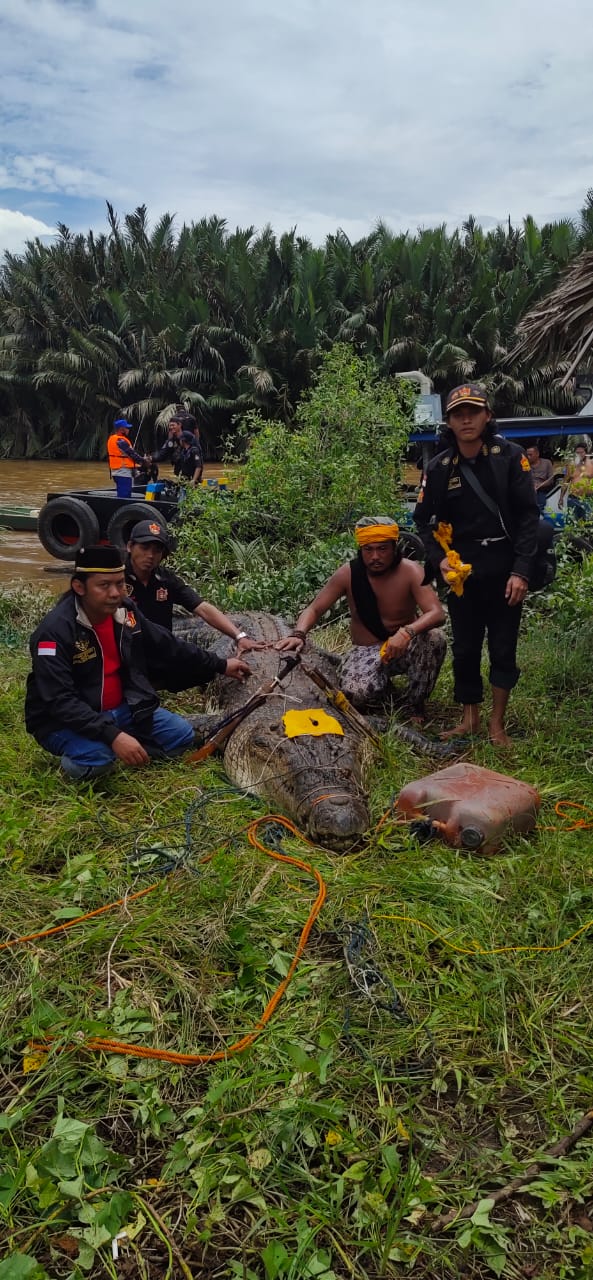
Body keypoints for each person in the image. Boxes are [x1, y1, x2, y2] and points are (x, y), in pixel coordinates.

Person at [25, 545, 251, 781]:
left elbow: (166, 643)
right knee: (97, 761)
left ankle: (124, 747)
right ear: (79, 587)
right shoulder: (54, 632)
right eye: (104, 585)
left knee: (181, 736)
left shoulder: (124, 611)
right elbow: (60, 701)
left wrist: (221, 664)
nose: (115, 593)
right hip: (61, 721)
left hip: (120, 709)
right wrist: (114, 736)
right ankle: (96, 753)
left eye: (120, 583)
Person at [414, 383, 539, 745]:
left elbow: (529, 516)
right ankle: (469, 718)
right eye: (457, 413)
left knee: (503, 646)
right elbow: (423, 520)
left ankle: (496, 723)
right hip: (461, 574)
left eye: (473, 411)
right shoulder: (438, 469)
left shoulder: (510, 457)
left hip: (504, 568)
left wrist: (521, 571)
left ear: (487, 416)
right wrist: (439, 562)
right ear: (449, 422)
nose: (466, 419)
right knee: (465, 648)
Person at [276, 516, 446, 716]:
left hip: (404, 646)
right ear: (361, 550)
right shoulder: (348, 573)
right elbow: (314, 609)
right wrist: (298, 634)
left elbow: (437, 613)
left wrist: (407, 632)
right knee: (355, 695)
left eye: (382, 549)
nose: (375, 556)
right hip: (366, 650)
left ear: (394, 547)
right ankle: (387, 694)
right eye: (368, 549)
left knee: (435, 639)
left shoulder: (411, 571)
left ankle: (414, 705)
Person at [124, 520, 264, 654]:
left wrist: (239, 636)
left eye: (157, 550)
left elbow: (202, 607)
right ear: (130, 546)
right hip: (126, 650)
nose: (150, 555)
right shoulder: (116, 579)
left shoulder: (166, 579)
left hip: (161, 651)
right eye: (144, 547)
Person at [107, 418, 148, 484]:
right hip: (123, 472)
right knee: (125, 494)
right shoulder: (121, 441)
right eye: (127, 428)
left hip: (117, 472)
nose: (128, 430)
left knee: (123, 492)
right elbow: (132, 454)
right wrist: (144, 460)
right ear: (122, 429)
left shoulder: (112, 439)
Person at [559, 443, 593, 520]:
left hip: (588, 499)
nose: (579, 454)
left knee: (588, 524)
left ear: (586, 453)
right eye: (577, 453)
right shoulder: (571, 465)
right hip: (573, 498)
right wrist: (561, 498)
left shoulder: (591, 464)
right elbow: (565, 482)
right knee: (572, 522)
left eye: (581, 452)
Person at [525, 444, 555, 512]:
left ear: (537, 454)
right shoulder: (525, 464)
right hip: (529, 490)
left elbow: (551, 479)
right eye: (527, 455)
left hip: (543, 490)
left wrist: (539, 485)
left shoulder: (547, 463)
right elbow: (522, 477)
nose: (528, 457)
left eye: (530, 455)